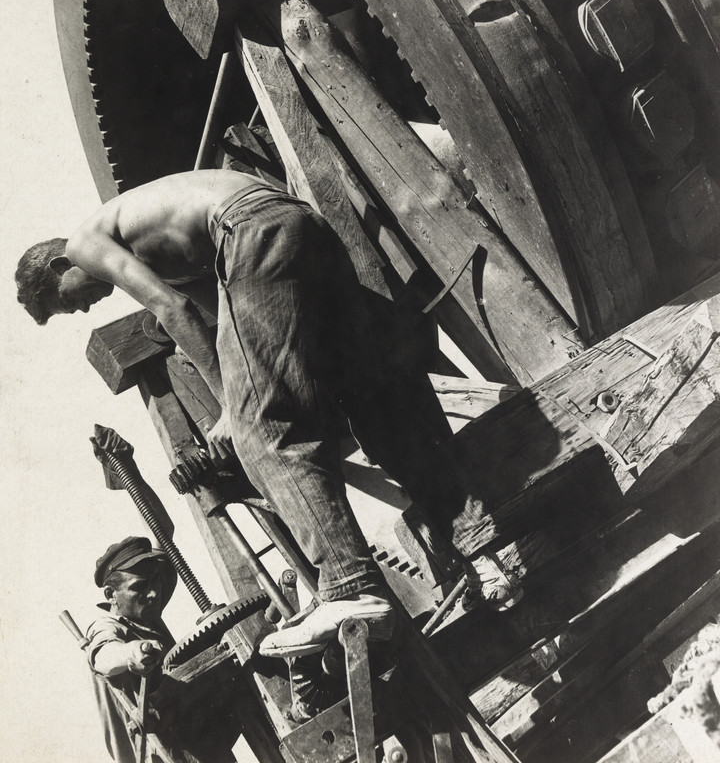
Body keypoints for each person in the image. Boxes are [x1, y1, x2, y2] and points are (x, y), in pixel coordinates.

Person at [17, 170, 521, 657]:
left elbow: (174, 312)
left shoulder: (85, 242)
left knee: (265, 429)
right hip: (299, 225)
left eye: (67, 303)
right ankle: (485, 553)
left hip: (250, 230)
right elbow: (219, 317)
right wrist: (235, 395)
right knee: (373, 401)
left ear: (59, 267)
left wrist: (233, 412)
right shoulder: (163, 242)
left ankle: (349, 588)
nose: (82, 309)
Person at [87, 536, 177, 763]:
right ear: (111, 595)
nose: (154, 593)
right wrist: (133, 651)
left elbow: (162, 532)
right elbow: (103, 656)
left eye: (155, 580)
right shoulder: (106, 626)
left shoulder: (146, 608)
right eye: (139, 587)